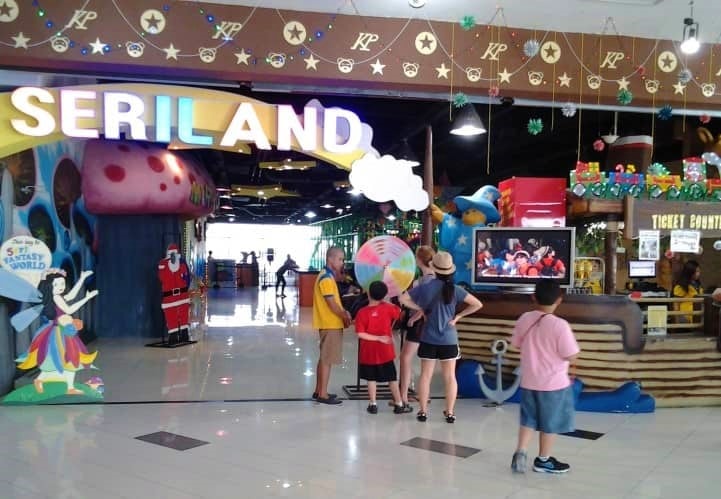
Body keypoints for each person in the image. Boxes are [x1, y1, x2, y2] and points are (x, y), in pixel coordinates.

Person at [399, 251, 483, 423]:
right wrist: (458, 317)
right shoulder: (456, 289)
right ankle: (450, 412)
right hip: (449, 339)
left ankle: (423, 411)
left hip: (428, 338)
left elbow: (403, 298)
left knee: (425, 376)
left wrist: (420, 309)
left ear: (434, 269)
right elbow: (477, 304)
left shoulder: (425, 287)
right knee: (450, 377)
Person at [510, 279, 580, 474]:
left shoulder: (525, 318)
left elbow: (515, 344)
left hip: (529, 381)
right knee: (550, 423)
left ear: (533, 297)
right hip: (553, 385)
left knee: (528, 419)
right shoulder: (560, 325)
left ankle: (521, 452)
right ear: (559, 300)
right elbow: (571, 354)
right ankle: (543, 460)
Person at [16, 269, 99, 395]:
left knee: (60, 360)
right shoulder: (56, 297)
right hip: (60, 334)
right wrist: (87, 298)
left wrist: (82, 279)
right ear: (50, 287)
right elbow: (69, 310)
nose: (61, 287)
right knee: (70, 358)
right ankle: (66, 387)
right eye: (56, 284)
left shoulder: (56, 297)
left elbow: (71, 296)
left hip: (61, 331)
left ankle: (43, 381)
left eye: (62, 283)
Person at [355, 281, 412, 414]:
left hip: (368, 352)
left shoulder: (362, 312)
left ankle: (373, 404)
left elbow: (360, 333)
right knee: (391, 378)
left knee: (371, 379)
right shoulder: (387, 308)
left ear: (368, 294)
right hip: (385, 352)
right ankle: (399, 404)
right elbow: (399, 313)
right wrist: (388, 301)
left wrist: (376, 338)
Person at [312, 246, 352, 405]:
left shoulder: (327, 275)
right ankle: (323, 394)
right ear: (330, 259)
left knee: (324, 358)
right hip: (330, 323)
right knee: (327, 359)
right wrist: (345, 315)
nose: (342, 262)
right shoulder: (326, 279)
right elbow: (332, 304)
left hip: (328, 323)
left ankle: (319, 390)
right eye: (340, 259)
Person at [398, 245, 436, 410]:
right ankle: (423, 395)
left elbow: (427, 303)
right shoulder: (435, 278)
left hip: (419, 323)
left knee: (405, 358)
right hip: (431, 324)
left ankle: (403, 396)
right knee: (426, 361)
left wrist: (416, 315)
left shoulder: (424, 280)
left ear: (419, 260)